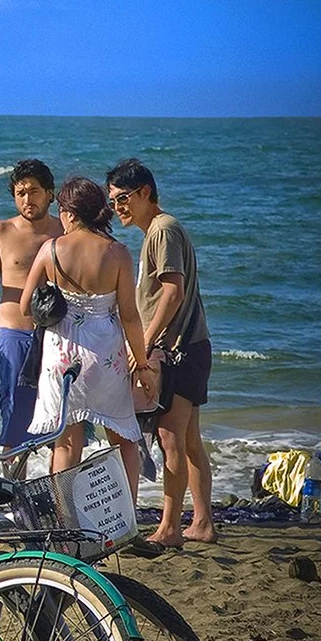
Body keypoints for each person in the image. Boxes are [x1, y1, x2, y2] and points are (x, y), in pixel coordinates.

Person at [19, 177, 157, 499]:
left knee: (67, 442)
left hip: (61, 354)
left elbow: (26, 306)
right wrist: (143, 364)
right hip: (105, 352)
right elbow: (130, 316)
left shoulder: (50, 249)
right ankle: (125, 517)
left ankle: (67, 521)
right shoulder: (117, 252)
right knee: (122, 439)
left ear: (68, 212)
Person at [106, 158, 217, 546]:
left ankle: (170, 528)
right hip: (190, 345)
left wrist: (146, 343)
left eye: (122, 198)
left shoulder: (162, 230)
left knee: (172, 439)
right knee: (188, 441)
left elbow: (172, 290)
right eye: (112, 201)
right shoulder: (157, 230)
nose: (117, 207)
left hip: (180, 348)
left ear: (145, 193)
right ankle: (202, 521)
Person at [0, 159, 63, 460]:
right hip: (15, 335)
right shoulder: (0, 230)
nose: (27, 199)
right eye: (20, 193)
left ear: (49, 193)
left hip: (57, 336)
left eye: (34, 191)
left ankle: (58, 499)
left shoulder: (63, 230)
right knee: (14, 416)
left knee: (61, 421)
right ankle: (13, 495)